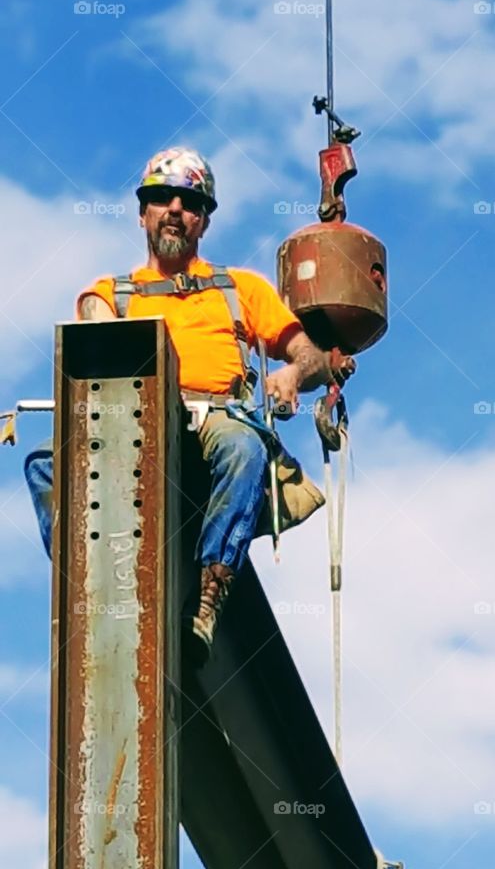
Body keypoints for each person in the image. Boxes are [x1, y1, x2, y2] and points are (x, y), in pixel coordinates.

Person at [24, 145, 351, 657]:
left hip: (219, 414)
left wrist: (293, 372)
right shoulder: (114, 292)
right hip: (145, 417)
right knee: (47, 462)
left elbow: (305, 352)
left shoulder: (239, 289)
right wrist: (96, 317)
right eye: (163, 198)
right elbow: (93, 322)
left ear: (203, 222)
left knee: (244, 450)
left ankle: (209, 592)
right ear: (143, 214)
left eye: (189, 202)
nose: (175, 209)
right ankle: (83, 584)